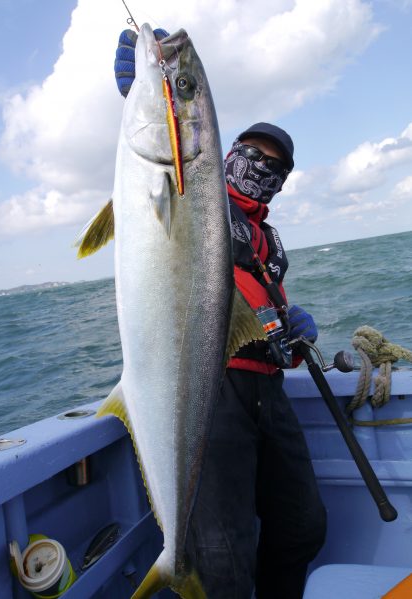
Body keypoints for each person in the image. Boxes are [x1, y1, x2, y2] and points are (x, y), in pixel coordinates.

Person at [114, 29, 327, 599]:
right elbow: (168, 206)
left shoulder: (270, 239)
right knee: (224, 558)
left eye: (273, 167)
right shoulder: (210, 203)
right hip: (216, 393)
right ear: (226, 152)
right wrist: (143, 95)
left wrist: (288, 323)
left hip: (270, 393)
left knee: (304, 527)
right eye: (252, 154)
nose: (260, 168)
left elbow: (253, 296)